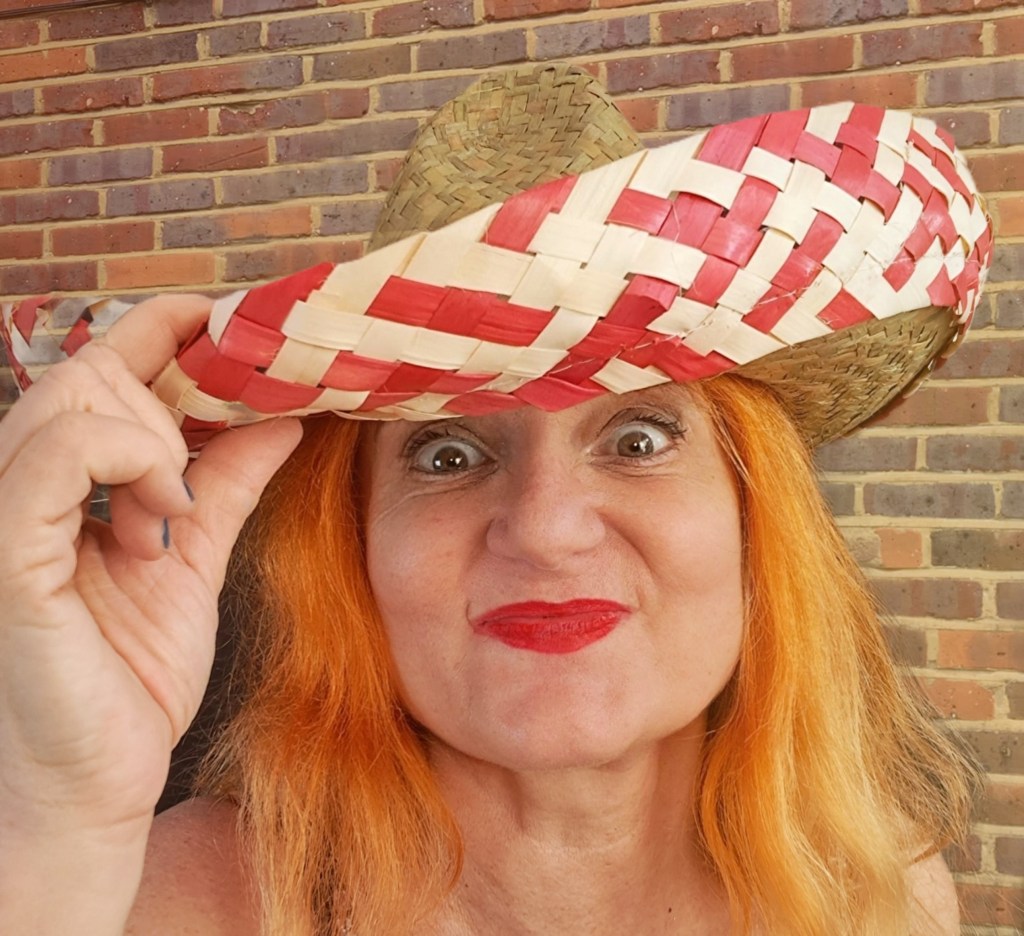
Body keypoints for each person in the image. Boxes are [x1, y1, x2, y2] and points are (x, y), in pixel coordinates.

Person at [0, 63, 993, 936]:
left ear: (753, 514)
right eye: (445, 455)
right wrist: (58, 820)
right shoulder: (162, 904)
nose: (547, 530)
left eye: (639, 440)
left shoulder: (878, 896)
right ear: (353, 542)